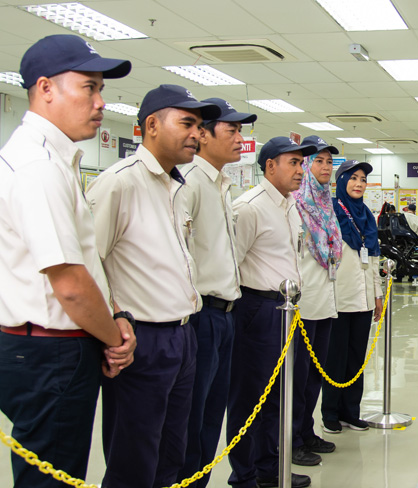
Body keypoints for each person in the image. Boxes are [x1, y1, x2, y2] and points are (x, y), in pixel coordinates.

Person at [0, 34, 135, 487]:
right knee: (52, 476)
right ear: (46, 88)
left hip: (55, 348)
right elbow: (68, 282)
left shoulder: (51, 160)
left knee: (57, 471)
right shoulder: (38, 167)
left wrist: (114, 318)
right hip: (50, 352)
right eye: (89, 87)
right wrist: (115, 338)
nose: (101, 102)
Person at [86, 85, 221, 488]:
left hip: (183, 335)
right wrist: (113, 322)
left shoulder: (174, 187)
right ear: (151, 125)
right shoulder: (119, 183)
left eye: (199, 126)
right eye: (187, 123)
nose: (197, 134)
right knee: (135, 457)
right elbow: (89, 262)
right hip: (142, 340)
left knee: (172, 453)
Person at [227, 137, 317, 488]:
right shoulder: (248, 207)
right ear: (269, 166)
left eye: (301, 164)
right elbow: (230, 264)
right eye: (293, 163)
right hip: (256, 309)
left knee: (279, 394)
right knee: (250, 397)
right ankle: (243, 475)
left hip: (286, 309)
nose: (300, 170)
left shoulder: (290, 205)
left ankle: (270, 468)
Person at [177, 98, 256, 487]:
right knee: (192, 417)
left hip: (227, 314)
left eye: (242, 131)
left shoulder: (221, 184)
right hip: (201, 315)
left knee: (211, 416)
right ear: (203, 135)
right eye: (232, 130)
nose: (241, 138)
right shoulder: (190, 182)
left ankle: (200, 480)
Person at [291, 136, 343, 466]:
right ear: (306, 166)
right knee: (297, 377)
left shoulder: (327, 204)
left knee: (315, 375)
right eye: (318, 161)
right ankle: (292, 438)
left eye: (329, 162)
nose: (325, 167)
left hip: (324, 302)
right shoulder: (295, 205)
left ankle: (307, 431)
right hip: (301, 305)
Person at [322, 160, 383, 434]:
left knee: (356, 358)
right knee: (334, 358)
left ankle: (351, 411)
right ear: (341, 181)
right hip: (337, 298)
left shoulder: (368, 217)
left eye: (363, 180)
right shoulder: (330, 211)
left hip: (364, 300)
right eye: (353, 178)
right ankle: (330, 413)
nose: (359, 184)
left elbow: (373, 259)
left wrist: (377, 296)